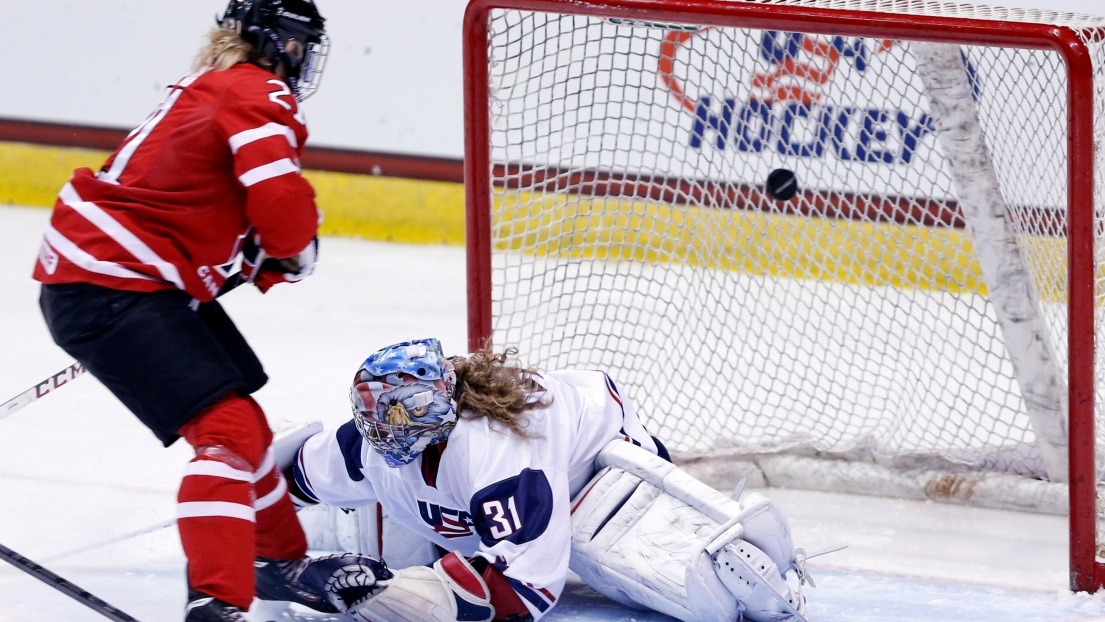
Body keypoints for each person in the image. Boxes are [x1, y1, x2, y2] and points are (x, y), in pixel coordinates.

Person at [32, 2, 381, 620]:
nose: (301, 61)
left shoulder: (212, 87)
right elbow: (278, 199)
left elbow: (190, 206)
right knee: (222, 436)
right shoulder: (256, 90)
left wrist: (259, 256)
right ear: (276, 44)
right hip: (117, 284)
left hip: (119, 279)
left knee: (241, 425)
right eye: (299, 46)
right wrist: (291, 248)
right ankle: (218, 602)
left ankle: (278, 561)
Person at [284, 338, 813, 622]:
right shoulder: (372, 445)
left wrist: (394, 595)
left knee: (711, 587)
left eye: (397, 413)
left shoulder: (503, 456)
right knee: (363, 531)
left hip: (598, 473)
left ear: (431, 407)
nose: (379, 428)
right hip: (479, 505)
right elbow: (288, 474)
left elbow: (529, 590)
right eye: (371, 411)